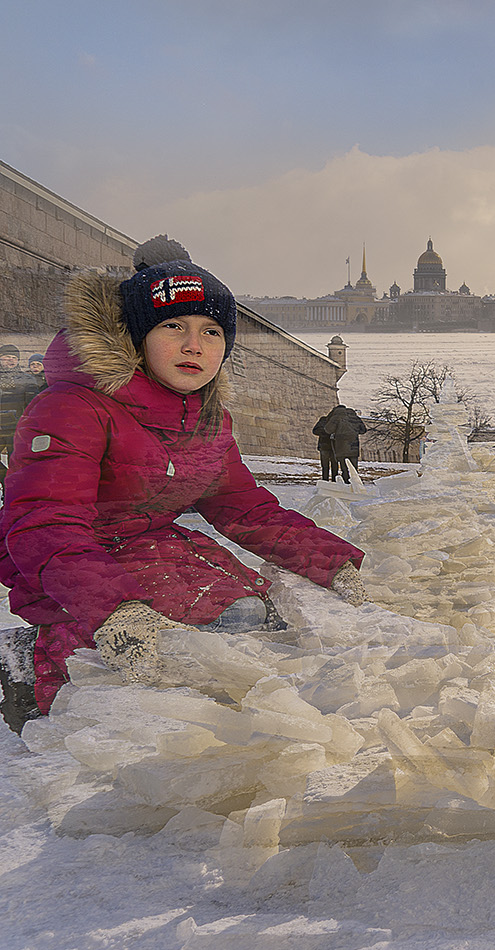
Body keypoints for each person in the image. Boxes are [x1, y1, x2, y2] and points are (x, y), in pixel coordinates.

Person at [0, 244, 369, 732]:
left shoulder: (208, 420)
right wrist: (116, 609)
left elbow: (244, 508)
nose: (195, 346)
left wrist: (331, 562)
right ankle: (33, 668)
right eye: (174, 326)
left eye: (211, 332)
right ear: (136, 338)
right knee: (145, 662)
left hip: (155, 547)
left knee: (249, 616)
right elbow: (42, 522)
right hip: (68, 562)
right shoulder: (71, 408)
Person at [0, 345, 32, 483]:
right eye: (7, 357)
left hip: (16, 427)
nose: (11, 360)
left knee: (17, 461)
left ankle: (11, 488)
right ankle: (4, 480)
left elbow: (32, 405)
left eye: (14, 358)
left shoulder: (27, 379)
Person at [322, 405, 367, 484]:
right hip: (354, 446)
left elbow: (328, 429)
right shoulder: (354, 417)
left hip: (341, 446)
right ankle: (356, 484)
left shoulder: (336, 417)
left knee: (344, 468)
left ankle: (347, 484)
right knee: (354, 468)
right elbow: (363, 430)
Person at [313, 406, 338, 481]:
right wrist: (327, 433)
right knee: (325, 466)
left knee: (335, 466)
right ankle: (325, 481)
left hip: (334, 447)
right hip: (325, 446)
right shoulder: (324, 420)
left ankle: (334, 481)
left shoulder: (337, 422)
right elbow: (315, 430)